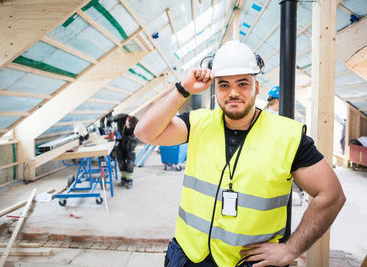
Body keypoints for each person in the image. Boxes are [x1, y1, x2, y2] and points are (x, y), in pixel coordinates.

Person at [134, 40, 345, 267]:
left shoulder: (288, 136)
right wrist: (182, 89)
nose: (233, 92)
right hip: (188, 256)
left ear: (256, 87)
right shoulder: (197, 122)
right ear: (215, 89)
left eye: (242, 83)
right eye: (224, 85)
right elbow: (144, 132)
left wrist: (290, 249)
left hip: (246, 262)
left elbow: (331, 195)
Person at [110, 113, 139, 189]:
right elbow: (110, 119)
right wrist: (109, 123)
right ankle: (123, 179)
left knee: (130, 163)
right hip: (120, 143)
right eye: (128, 125)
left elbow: (134, 138)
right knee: (120, 162)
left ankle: (129, 180)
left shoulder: (136, 125)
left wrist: (123, 137)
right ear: (128, 119)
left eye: (129, 127)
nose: (127, 127)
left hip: (130, 144)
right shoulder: (121, 118)